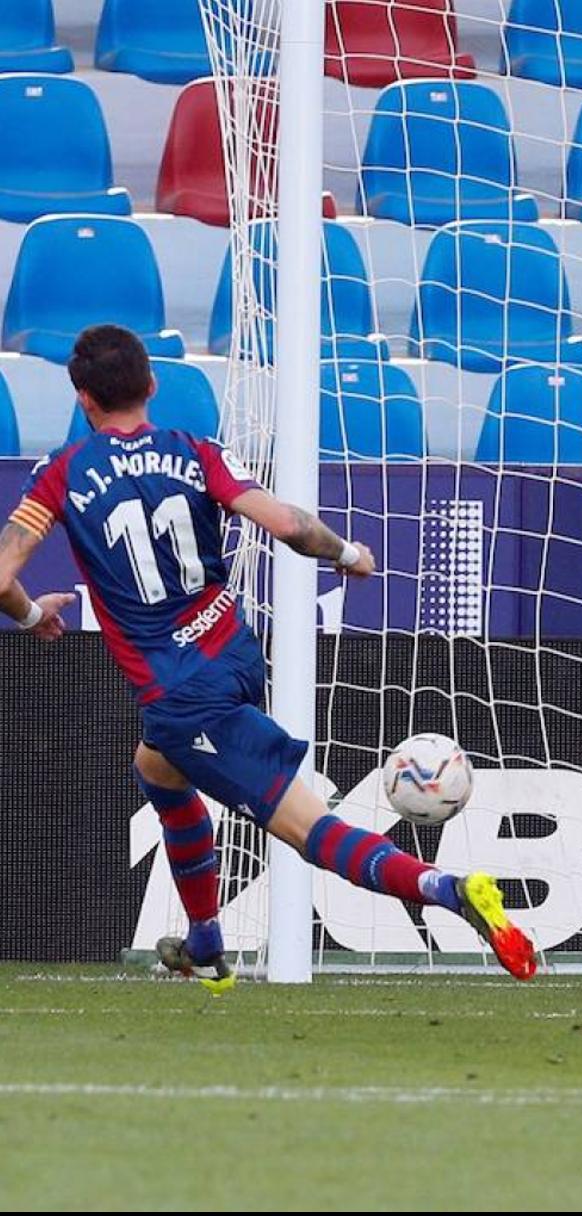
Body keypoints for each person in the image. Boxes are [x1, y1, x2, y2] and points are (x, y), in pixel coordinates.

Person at [0, 325, 536, 990]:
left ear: (83, 399)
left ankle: (450, 889)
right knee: (157, 768)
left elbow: (2, 575)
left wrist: (29, 613)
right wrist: (348, 555)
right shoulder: (198, 453)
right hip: (234, 654)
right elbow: (286, 525)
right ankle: (205, 939)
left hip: (183, 692)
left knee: (309, 830)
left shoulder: (60, 476)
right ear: (152, 385)